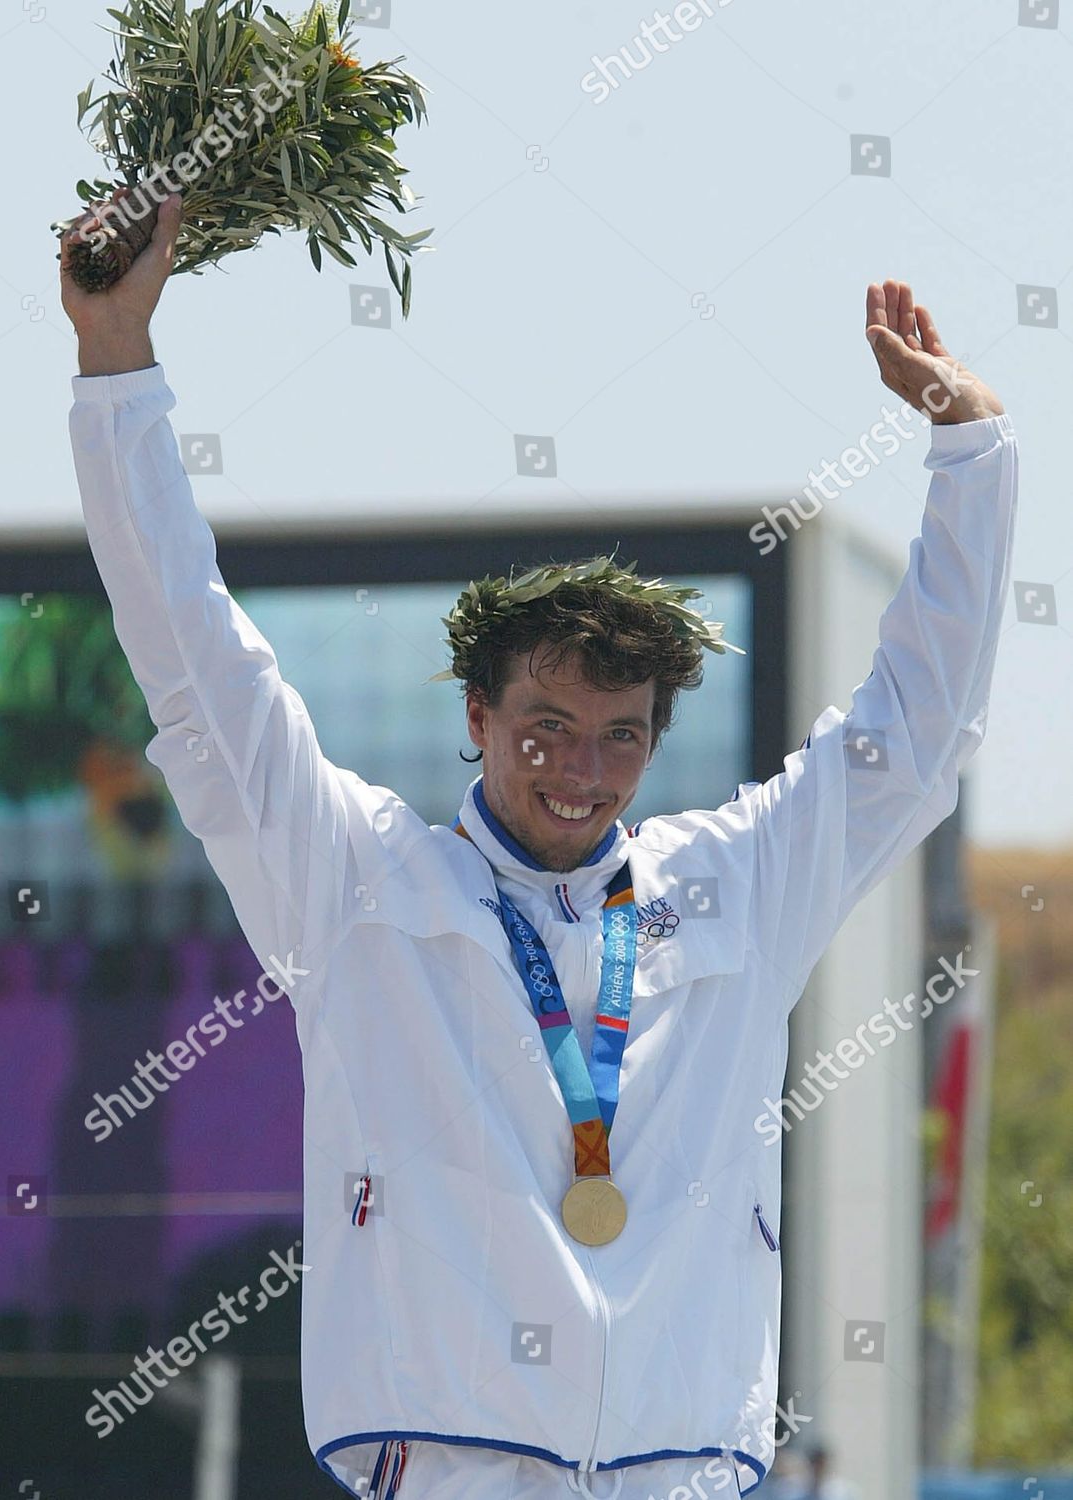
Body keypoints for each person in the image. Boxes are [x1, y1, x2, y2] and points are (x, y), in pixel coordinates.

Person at [59, 192, 1017, 1500]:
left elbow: (922, 729)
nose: (580, 772)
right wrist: (117, 364)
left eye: (619, 736)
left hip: (687, 1474)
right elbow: (195, 668)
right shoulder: (360, 880)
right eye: (546, 728)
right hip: (452, 1470)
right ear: (477, 713)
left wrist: (972, 454)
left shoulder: (734, 884)